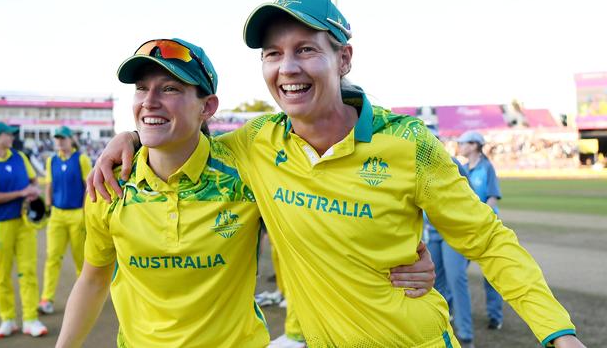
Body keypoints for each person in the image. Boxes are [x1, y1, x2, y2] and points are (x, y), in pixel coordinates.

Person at [89, 0, 585, 347]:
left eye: (306, 49)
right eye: (273, 54)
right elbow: (179, 134)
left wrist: (558, 335)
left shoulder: (409, 143)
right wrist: (130, 136)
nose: (288, 68)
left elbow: (489, 242)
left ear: (343, 58)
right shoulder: (255, 144)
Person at [57, 38, 433, 348]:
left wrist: (402, 260)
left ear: (207, 107)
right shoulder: (110, 183)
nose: (150, 101)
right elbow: (92, 279)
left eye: (170, 88)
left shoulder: (246, 172)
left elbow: (330, 219)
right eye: (142, 88)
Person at [0, 122, 48, 338]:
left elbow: (33, 181)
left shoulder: (20, 157)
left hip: (24, 224)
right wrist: (20, 193)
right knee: (2, 275)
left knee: (28, 272)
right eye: (8, 134)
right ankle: (7, 319)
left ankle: (30, 319)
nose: (12, 137)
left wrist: (33, 191)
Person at [38, 126, 92, 315]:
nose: (59, 141)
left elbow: (89, 186)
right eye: (57, 138)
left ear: (71, 139)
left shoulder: (82, 159)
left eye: (63, 138)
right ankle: (47, 298)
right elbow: (49, 186)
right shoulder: (51, 160)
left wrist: (86, 213)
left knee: (80, 260)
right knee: (52, 257)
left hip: (77, 214)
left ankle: (85, 299)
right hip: (57, 215)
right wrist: (47, 206)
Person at [424, 158, 475, 347]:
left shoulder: (450, 161)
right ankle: (442, 326)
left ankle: (466, 334)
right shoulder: (406, 157)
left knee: (456, 279)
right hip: (431, 232)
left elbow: (470, 195)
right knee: (435, 283)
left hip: (453, 231)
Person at [457, 130, 504, 330]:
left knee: (491, 274)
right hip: (466, 228)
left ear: (475, 145)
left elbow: (492, 197)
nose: (460, 145)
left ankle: (496, 316)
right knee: (455, 272)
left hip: (484, 228)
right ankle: (450, 311)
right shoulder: (463, 168)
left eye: (463, 142)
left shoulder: (487, 168)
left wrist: (480, 217)